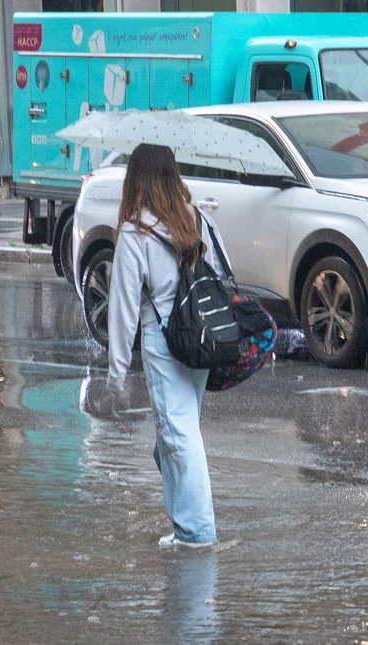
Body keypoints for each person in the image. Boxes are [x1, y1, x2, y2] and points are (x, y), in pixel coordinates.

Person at [106, 143, 230, 549]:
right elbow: (224, 273)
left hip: (164, 339)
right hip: (202, 336)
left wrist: (117, 371)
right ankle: (185, 525)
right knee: (177, 433)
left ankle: (197, 533)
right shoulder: (197, 220)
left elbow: (123, 307)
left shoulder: (134, 232)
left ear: (135, 180)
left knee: (178, 436)